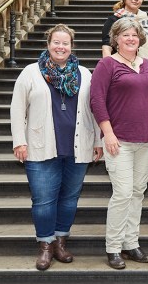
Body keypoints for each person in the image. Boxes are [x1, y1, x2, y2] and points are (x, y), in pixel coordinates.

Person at [10, 24, 102, 271]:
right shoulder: (31, 72)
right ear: (48, 44)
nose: (61, 47)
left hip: (77, 146)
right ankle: (45, 245)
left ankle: (61, 241)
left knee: (70, 198)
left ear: (72, 46)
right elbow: (17, 108)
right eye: (56, 42)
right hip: (40, 146)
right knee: (43, 201)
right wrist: (19, 140)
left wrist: (98, 141)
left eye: (65, 43)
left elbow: (94, 109)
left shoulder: (85, 74)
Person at [90, 18, 148, 270]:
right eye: (125, 35)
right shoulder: (107, 64)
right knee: (122, 193)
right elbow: (96, 100)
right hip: (118, 140)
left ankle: (131, 243)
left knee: (138, 191)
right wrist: (107, 133)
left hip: (146, 139)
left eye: (134, 34)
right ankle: (113, 247)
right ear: (116, 39)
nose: (130, 39)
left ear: (139, 38)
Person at [101, 0, 148, 64]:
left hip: (146, 68)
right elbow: (106, 49)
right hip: (121, 66)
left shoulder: (146, 21)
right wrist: (109, 68)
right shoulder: (114, 20)